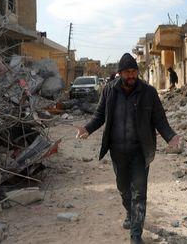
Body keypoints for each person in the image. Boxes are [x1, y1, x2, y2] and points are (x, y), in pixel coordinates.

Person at [75, 53, 180, 244]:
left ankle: (136, 234)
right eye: (127, 72)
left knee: (139, 192)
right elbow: (100, 115)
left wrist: (171, 136)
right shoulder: (109, 91)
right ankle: (131, 215)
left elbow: (159, 119)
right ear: (120, 73)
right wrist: (87, 129)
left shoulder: (148, 92)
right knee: (124, 189)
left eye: (134, 72)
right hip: (117, 151)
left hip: (140, 151)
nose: (131, 76)